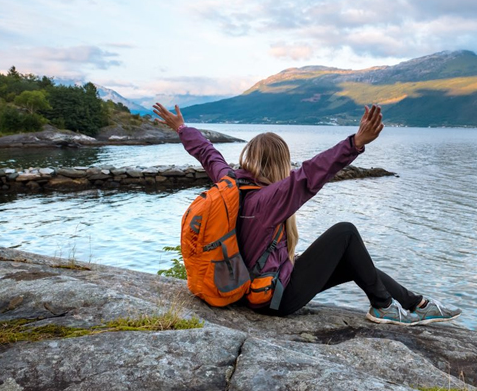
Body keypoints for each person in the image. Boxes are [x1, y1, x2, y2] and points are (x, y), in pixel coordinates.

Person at [153, 103, 461, 325]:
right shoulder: (269, 199)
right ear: (278, 163)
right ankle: (383, 306)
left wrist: (181, 128)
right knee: (345, 232)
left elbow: (208, 154)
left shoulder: (229, 184)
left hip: (256, 288)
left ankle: (416, 304)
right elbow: (310, 176)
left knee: (352, 261)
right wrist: (354, 144)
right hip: (275, 301)